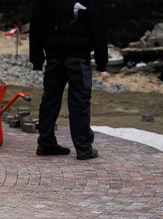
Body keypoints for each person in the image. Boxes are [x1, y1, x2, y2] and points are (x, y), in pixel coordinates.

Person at [29, 0, 108, 160]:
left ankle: (45, 143)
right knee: (80, 101)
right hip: (78, 56)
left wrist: (37, 59)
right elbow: (98, 27)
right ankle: (83, 148)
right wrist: (101, 62)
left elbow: (35, 26)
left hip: (53, 55)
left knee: (50, 99)